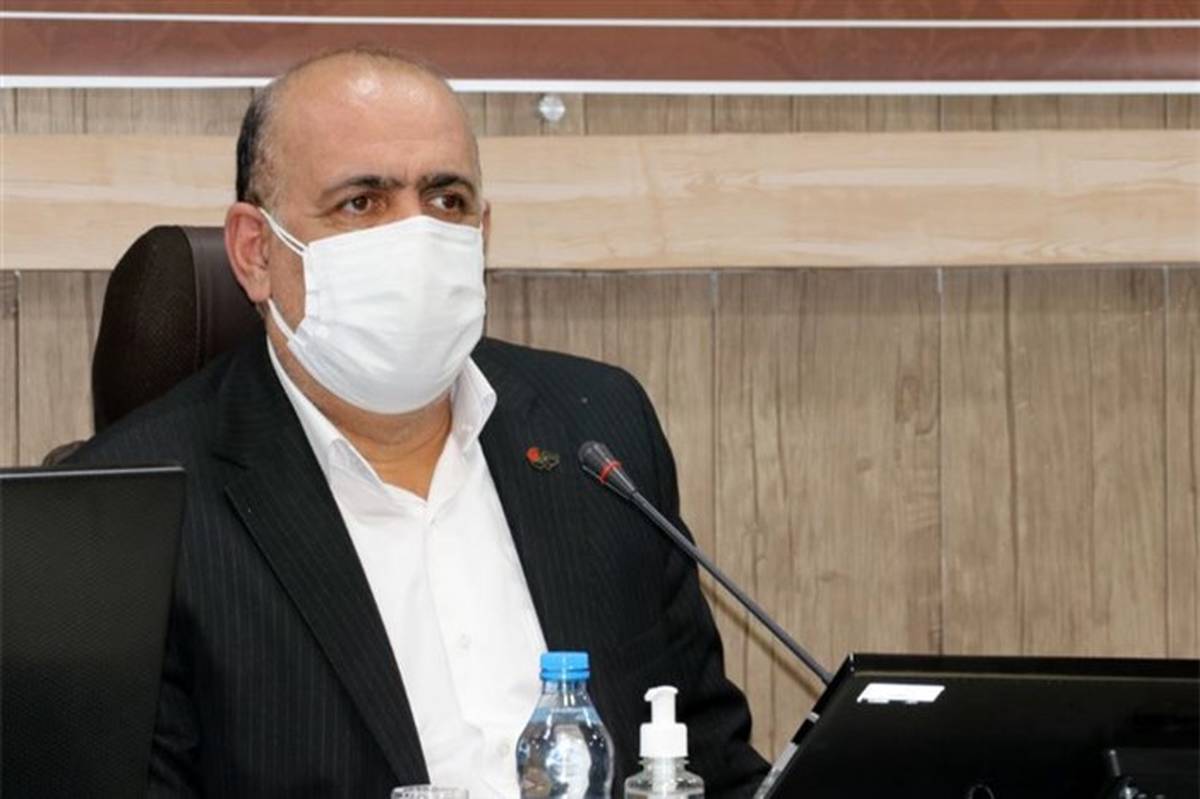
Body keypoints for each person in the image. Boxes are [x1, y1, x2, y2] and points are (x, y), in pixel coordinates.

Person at [71, 48, 768, 797]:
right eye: (361, 202)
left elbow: (711, 763)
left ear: (482, 230)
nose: (417, 235)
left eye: (447, 200)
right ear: (256, 251)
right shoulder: (131, 517)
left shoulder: (596, 433)